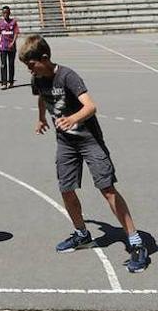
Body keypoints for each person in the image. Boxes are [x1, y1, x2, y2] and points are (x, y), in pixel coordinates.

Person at [18, 35, 149, 273]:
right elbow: (41, 99)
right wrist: (40, 119)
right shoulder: (37, 79)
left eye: (31, 64)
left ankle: (136, 242)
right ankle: (81, 234)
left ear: (44, 58)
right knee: (66, 189)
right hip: (66, 143)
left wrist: (73, 118)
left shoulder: (68, 76)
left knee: (107, 189)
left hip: (89, 140)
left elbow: (90, 106)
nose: (30, 70)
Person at [0, 5, 20, 90]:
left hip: (11, 47)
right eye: (3, 13)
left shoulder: (13, 22)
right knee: (3, 64)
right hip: (3, 46)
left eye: (6, 12)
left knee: (11, 64)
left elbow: (16, 33)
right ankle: (4, 83)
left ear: (9, 13)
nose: (5, 14)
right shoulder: (0, 22)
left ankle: (11, 81)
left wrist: (13, 42)